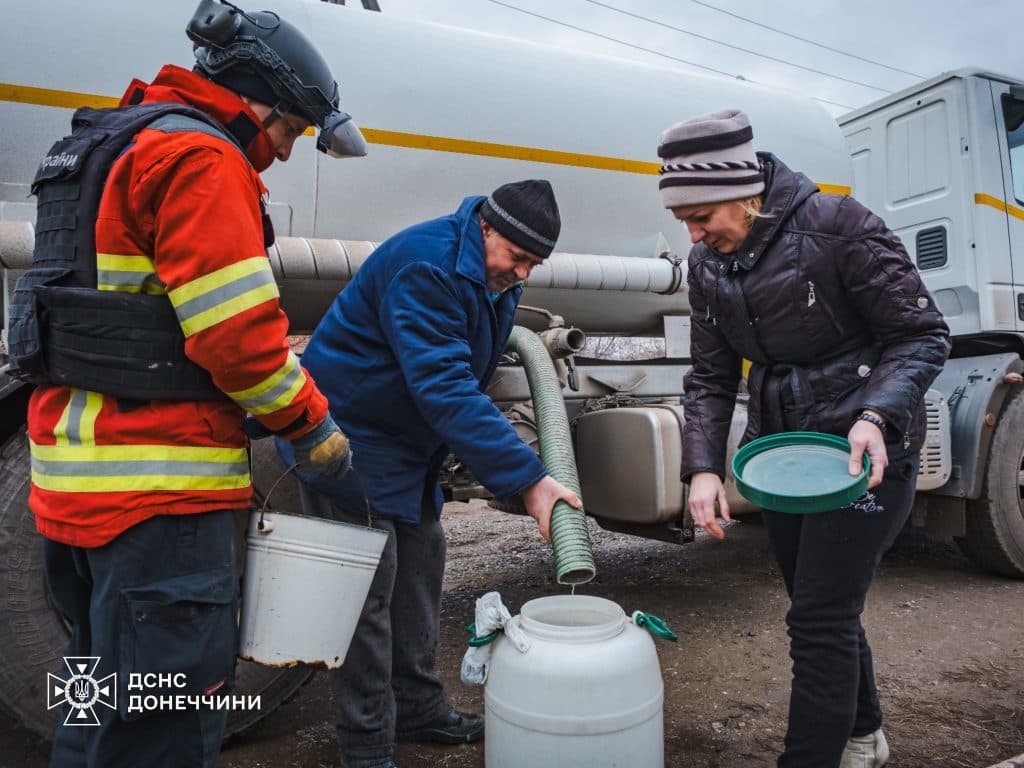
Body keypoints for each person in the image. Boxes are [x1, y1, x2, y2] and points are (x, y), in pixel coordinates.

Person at [27, 2, 364, 766]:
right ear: (253, 102)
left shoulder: (96, 149)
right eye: (287, 130)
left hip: (72, 494)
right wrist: (310, 427)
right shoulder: (202, 159)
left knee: (97, 707)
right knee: (164, 732)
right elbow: (237, 339)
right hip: (160, 507)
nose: (281, 153)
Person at [656, 110, 950, 767]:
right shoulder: (708, 265)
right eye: (684, 222)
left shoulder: (840, 227)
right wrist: (702, 468)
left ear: (744, 193)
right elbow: (707, 375)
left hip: (865, 455)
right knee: (824, 609)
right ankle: (864, 734)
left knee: (818, 618)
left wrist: (875, 418)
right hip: (784, 459)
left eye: (700, 216)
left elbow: (922, 334)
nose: (693, 234)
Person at [279, 179, 582, 768]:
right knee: (366, 594)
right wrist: (529, 479)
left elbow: (463, 370)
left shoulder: (490, 271)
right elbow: (445, 386)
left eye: (533, 265)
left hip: (403, 443)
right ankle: (366, 748)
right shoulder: (428, 266)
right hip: (347, 437)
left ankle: (417, 709)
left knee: (420, 565)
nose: (520, 273)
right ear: (486, 228)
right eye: (516, 258)